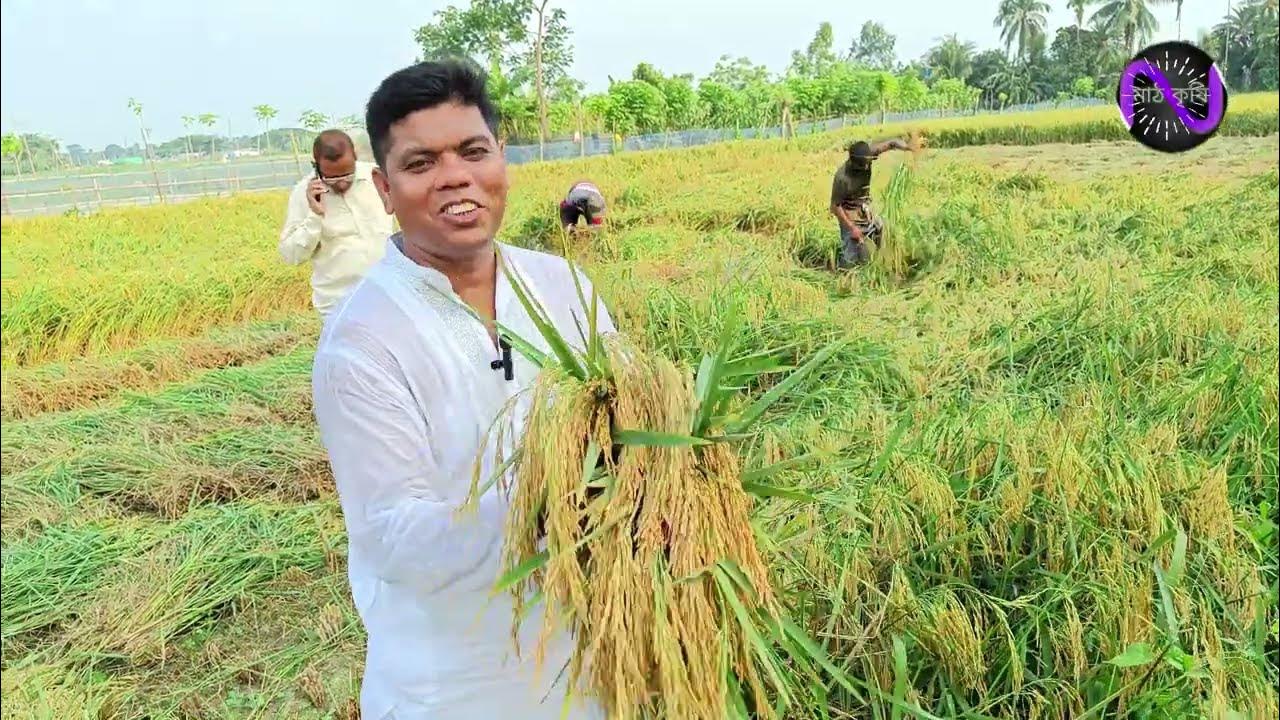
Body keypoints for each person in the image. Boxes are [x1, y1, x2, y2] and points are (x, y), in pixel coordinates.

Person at [310, 59, 615, 720]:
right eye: (421, 164)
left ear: (501, 157)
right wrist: (554, 510)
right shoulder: (363, 344)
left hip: (592, 659)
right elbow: (393, 533)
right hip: (456, 684)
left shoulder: (565, 288)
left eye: (473, 151)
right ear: (385, 189)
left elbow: (622, 423)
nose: (454, 175)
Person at [278, 129, 395, 315]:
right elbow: (291, 255)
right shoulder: (302, 194)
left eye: (347, 175)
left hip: (389, 295)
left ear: (355, 157)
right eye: (332, 178)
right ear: (316, 166)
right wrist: (314, 216)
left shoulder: (378, 178)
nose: (341, 184)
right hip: (338, 307)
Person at [829, 137, 911, 268]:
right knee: (851, 258)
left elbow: (892, 143)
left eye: (868, 162)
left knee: (883, 231)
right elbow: (835, 207)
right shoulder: (842, 177)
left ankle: (881, 262)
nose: (867, 166)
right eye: (863, 165)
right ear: (853, 162)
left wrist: (909, 147)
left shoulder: (868, 154)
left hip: (865, 206)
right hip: (849, 213)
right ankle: (845, 275)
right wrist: (852, 228)